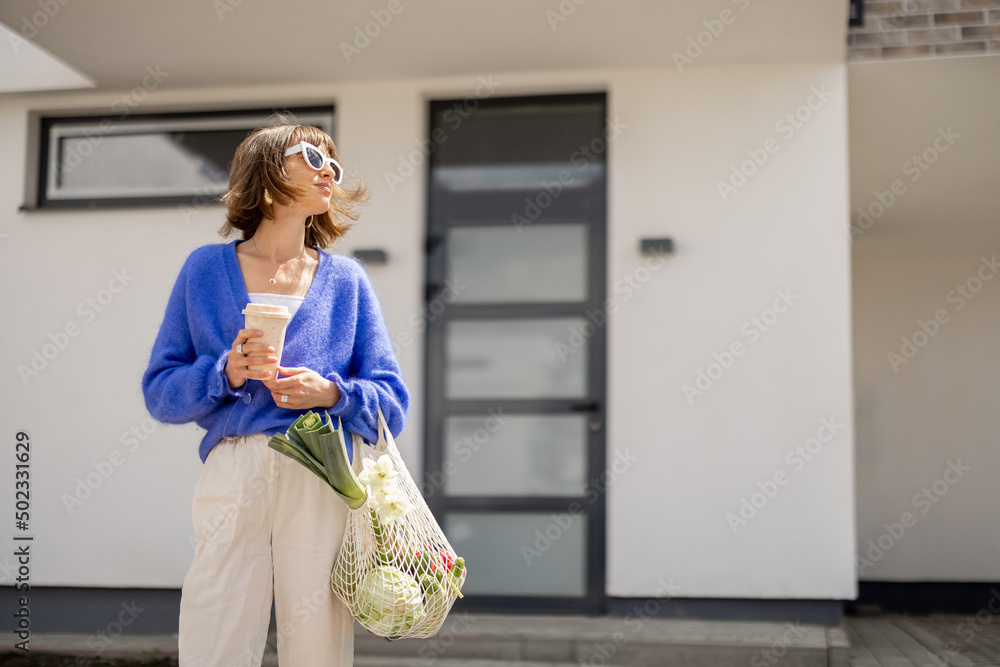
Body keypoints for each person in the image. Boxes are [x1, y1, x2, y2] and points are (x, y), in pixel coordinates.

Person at [141, 118, 409, 666]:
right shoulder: (204, 270)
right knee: (215, 627)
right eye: (312, 159)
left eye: (333, 165)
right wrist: (226, 372)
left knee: (317, 643)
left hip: (319, 469)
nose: (328, 173)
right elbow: (161, 390)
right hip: (234, 467)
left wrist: (331, 394)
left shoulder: (348, 281)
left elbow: (391, 401)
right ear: (264, 171)